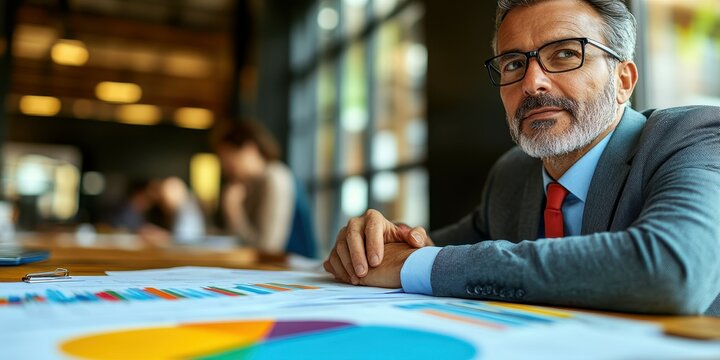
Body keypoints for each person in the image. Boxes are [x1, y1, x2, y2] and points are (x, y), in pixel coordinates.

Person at [324, 0, 720, 315]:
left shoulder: (691, 136)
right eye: (514, 63)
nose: (532, 82)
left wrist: (417, 264)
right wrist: (372, 244)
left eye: (565, 54)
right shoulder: (512, 174)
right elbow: (422, 250)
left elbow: (671, 272)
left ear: (623, 80)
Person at [215, 121, 316, 258]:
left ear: (249, 149)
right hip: (272, 268)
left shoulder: (275, 177)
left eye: (228, 160)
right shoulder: (249, 186)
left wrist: (234, 211)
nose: (226, 168)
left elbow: (268, 248)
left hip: (293, 267)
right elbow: (242, 240)